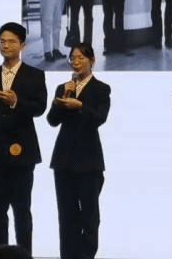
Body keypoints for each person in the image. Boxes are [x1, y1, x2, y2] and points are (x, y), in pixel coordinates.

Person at [0, 22, 48, 255]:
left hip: (23, 154)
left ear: (22, 45)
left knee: (22, 210)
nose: (6, 45)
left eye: (11, 41)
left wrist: (16, 102)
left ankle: (25, 255)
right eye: (2, 41)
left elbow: (40, 108)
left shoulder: (35, 75)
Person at [47, 44, 110, 259]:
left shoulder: (101, 89)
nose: (75, 62)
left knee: (90, 218)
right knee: (66, 217)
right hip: (63, 160)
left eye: (80, 58)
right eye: (72, 58)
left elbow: (99, 118)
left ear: (92, 60)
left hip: (89, 161)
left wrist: (80, 106)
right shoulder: (63, 87)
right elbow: (52, 120)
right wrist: (63, 98)